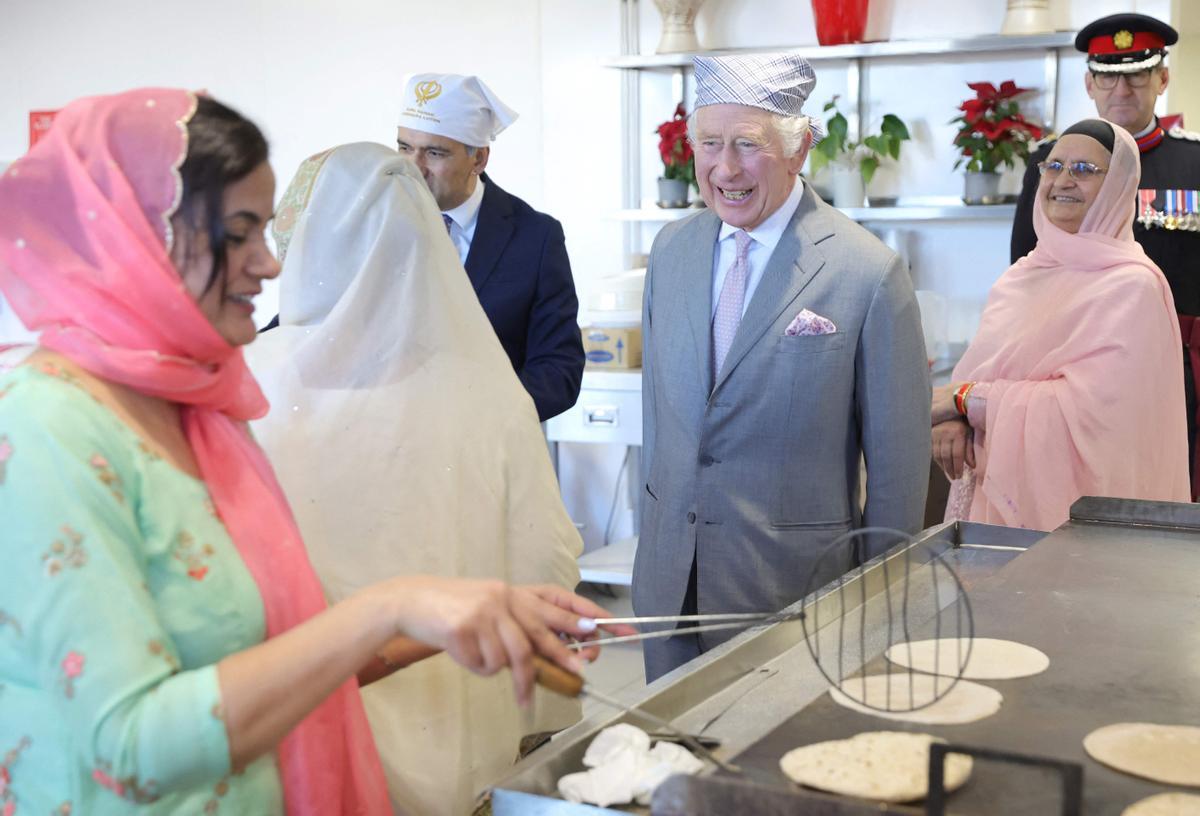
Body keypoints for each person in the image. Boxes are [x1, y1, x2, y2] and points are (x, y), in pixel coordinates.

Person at [0, 89, 626, 815]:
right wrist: (392, 605)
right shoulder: (49, 429)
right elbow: (130, 745)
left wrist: (457, 612)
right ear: (134, 236)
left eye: (271, 232)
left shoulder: (206, 411)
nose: (271, 266)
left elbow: (280, 650)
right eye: (241, 234)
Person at [245, 142, 585, 815]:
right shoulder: (491, 392)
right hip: (458, 714)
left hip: (299, 712)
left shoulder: (254, 381)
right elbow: (547, 562)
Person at [634, 54, 930, 682]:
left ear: (800, 151)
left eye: (748, 144)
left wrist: (879, 603)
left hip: (792, 594)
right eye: (709, 144)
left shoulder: (866, 271)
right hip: (669, 587)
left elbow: (899, 470)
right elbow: (659, 418)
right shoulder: (672, 250)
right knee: (670, 765)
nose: (726, 167)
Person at [938, 119, 1189, 530]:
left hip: (1081, 521)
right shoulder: (1021, 276)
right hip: (993, 497)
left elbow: (1091, 417)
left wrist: (964, 400)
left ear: (1118, 186)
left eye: (1085, 170)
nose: (1063, 181)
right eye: (1054, 167)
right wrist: (955, 418)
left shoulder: (1133, 286)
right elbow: (982, 372)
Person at [1011, 13, 1200, 499]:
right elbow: (1025, 270)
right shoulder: (1053, 167)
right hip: (1075, 368)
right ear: (1089, 82)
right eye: (1109, 75)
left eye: (1137, 73)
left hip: (1183, 367)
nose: (1123, 88)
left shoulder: (1196, 164)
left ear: (1162, 77)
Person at [395, 72, 585, 422]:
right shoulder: (376, 225)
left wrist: (478, 418)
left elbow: (559, 370)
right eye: (405, 147)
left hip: (489, 450)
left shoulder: (535, 237)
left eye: (434, 153)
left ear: (479, 159)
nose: (414, 168)